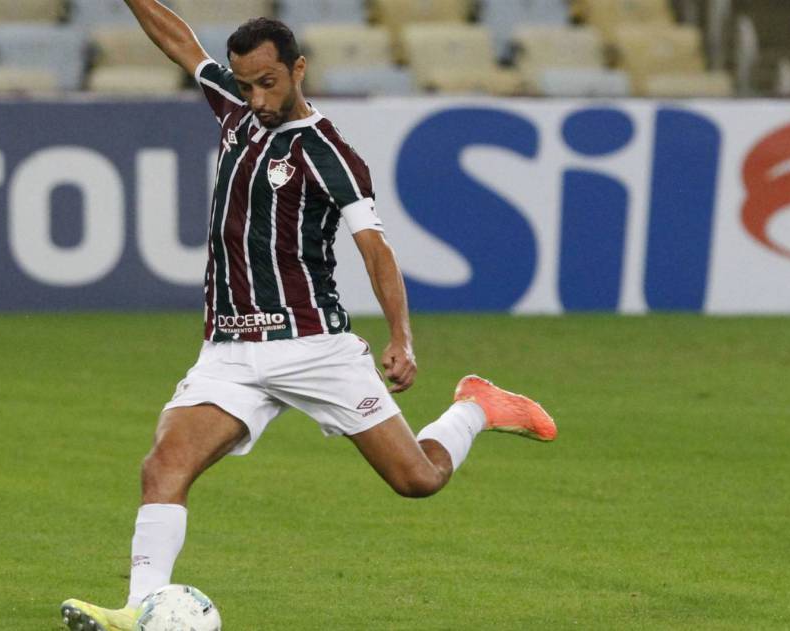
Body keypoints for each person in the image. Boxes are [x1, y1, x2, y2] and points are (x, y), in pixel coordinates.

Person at [62, 2, 557, 629]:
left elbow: (376, 252)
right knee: (163, 465)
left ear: (298, 70)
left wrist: (401, 336)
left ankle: (477, 407)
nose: (257, 98)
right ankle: (140, 610)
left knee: (417, 480)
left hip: (314, 345)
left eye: (268, 83)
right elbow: (181, 43)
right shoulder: (237, 114)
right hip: (230, 351)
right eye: (245, 85)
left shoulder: (333, 156)